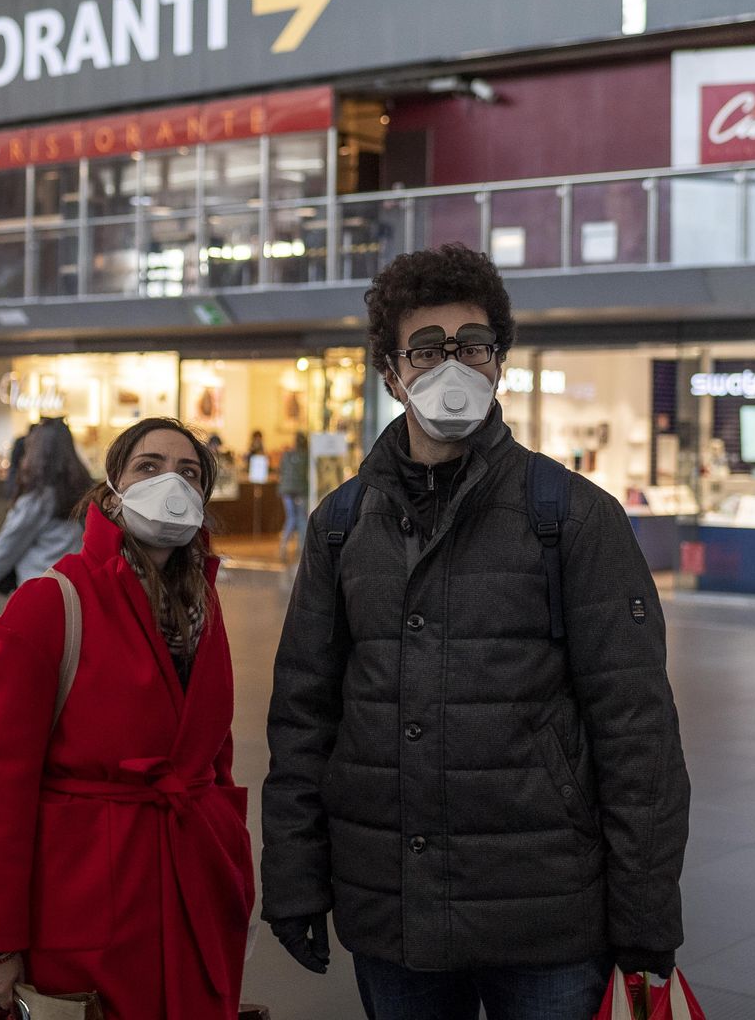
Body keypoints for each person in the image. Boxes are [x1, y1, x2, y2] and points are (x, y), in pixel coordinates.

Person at [262, 243, 691, 1020]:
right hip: (396, 914)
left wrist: (645, 916)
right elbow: (303, 719)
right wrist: (296, 878)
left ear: (499, 364)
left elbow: (638, 735)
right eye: (426, 348)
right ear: (391, 373)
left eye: (471, 345)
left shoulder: (573, 516)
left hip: (548, 916)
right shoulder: (342, 526)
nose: (450, 365)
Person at [0, 417, 254, 1020]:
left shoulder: (204, 607)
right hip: (89, 903)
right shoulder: (49, 604)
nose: (169, 481)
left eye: (189, 473)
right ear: (112, 488)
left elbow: (214, 753)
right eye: (149, 466)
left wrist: (228, 866)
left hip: (191, 892)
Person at [0, 419, 89, 609]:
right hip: (73, 587)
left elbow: (7, 544)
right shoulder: (81, 489)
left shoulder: (38, 499)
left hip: (40, 589)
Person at [278, 432, 311, 560]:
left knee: (291, 517)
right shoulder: (306, 455)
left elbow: (281, 471)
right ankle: (302, 547)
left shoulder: (287, 454)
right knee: (301, 518)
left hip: (286, 490)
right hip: (301, 490)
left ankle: (283, 545)